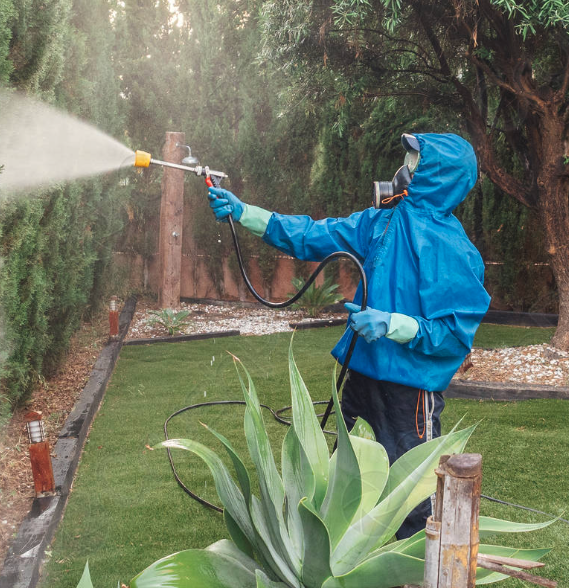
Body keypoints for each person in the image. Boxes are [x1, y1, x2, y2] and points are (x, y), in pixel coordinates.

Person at [208, 133, 490, 538]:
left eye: (414, 161)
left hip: (409, 393)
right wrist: (243, 212)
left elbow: (452, 336)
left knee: (411, 495)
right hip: (363, 377)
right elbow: (311, 235)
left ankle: (419, 575)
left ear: (436, 174)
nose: (404, 168)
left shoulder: (453, 250)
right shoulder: (384, 219)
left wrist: (389, 323)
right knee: (348, 479)